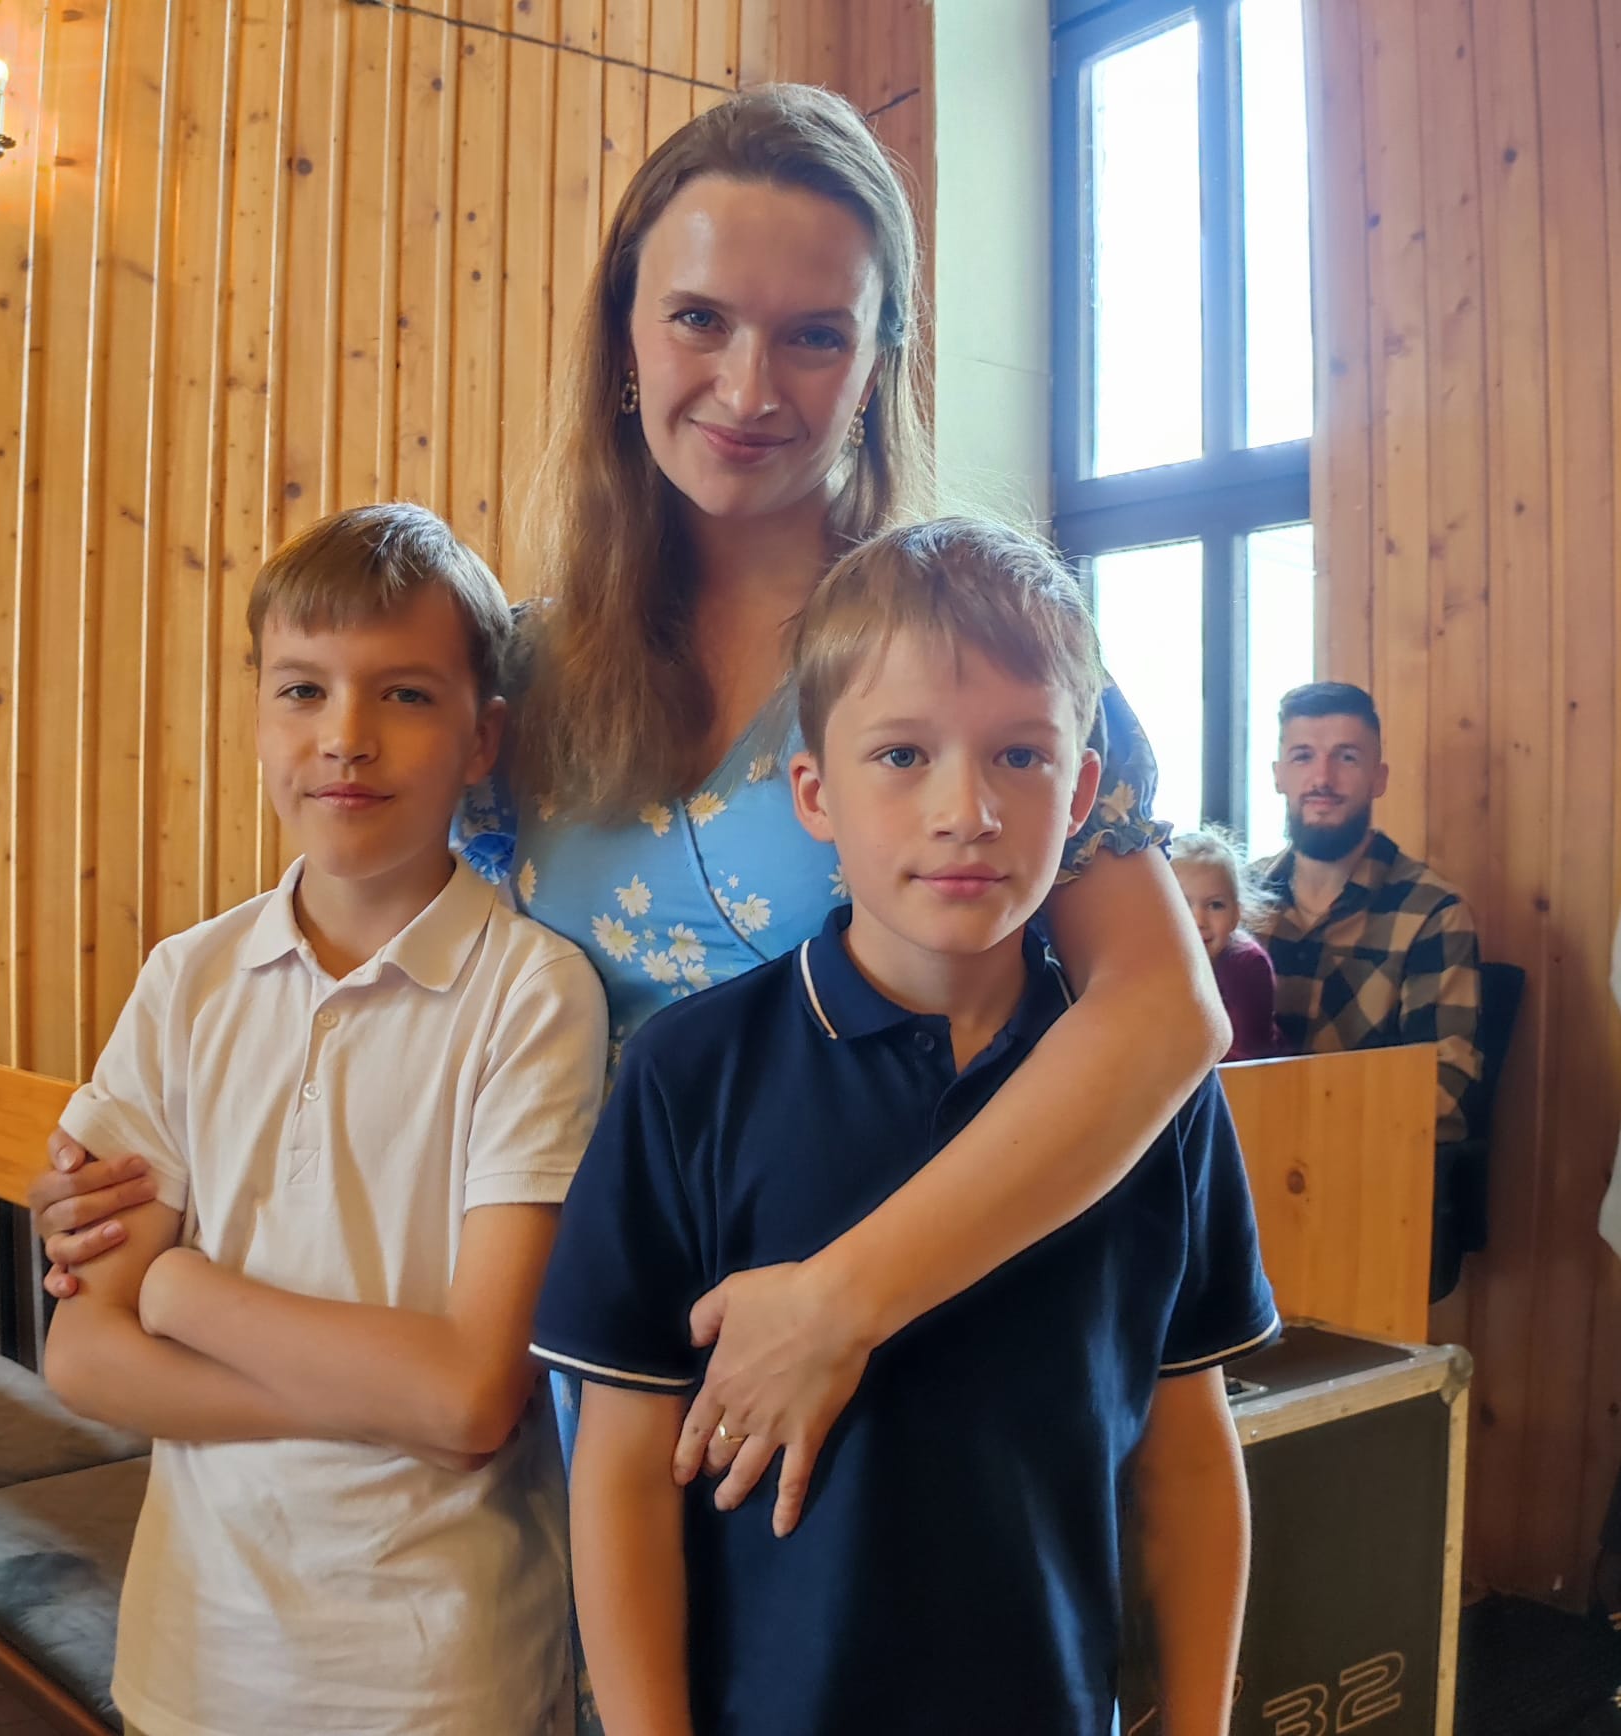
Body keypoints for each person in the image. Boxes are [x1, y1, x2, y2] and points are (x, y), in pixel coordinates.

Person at [29, 84, 1226, 1721]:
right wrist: (143, 1175)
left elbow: (1163, 1016)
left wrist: (840, 1301)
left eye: (816, 334)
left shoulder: (972, 666)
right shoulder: (521, 685)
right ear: (621, 338)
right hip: (601, 1413)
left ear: (881, 360)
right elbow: (369, 969)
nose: (750, 385)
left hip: (925, 1379)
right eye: (700, 319)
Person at [535, 519, 1278, 1736]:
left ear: (1081, 791)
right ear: (813, 793)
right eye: (900, 754)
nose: (965, 809)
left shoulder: (1156, 1101)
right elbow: (619, 1467)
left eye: (1020, 755)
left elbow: (1186, 1446)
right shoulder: (688, 1076)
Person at [41, 505, 608, 1736]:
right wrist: (378, 1395)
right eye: (302, 689)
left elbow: (470, 1397)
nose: (345, 737)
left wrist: (181, 1289)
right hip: (197, 1658)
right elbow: (82, 1354)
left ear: (481, 737)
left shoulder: (532, 993)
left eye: (403, 694)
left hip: (438, 1674)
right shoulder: (187, 979)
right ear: (257, 716)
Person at [1253, 682, 1482, 1144]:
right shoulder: (1235, 901)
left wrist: (1306, 1127)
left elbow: (1443, 1089)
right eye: (1303, 756)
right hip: (1236, 1155)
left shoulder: (1432, 911)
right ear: (1278, 775)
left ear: (1379, 778)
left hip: (1364, 1161)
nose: (1322, 778)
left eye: (1347, 757)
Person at [1171, 827, 1280, 1061]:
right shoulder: (1151, 963)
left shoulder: (1248, 964)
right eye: (1182, 904)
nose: (1198, 921)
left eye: (1216, 905)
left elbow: (1245, 1054)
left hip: (1251, 1074)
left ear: (1235, 916)